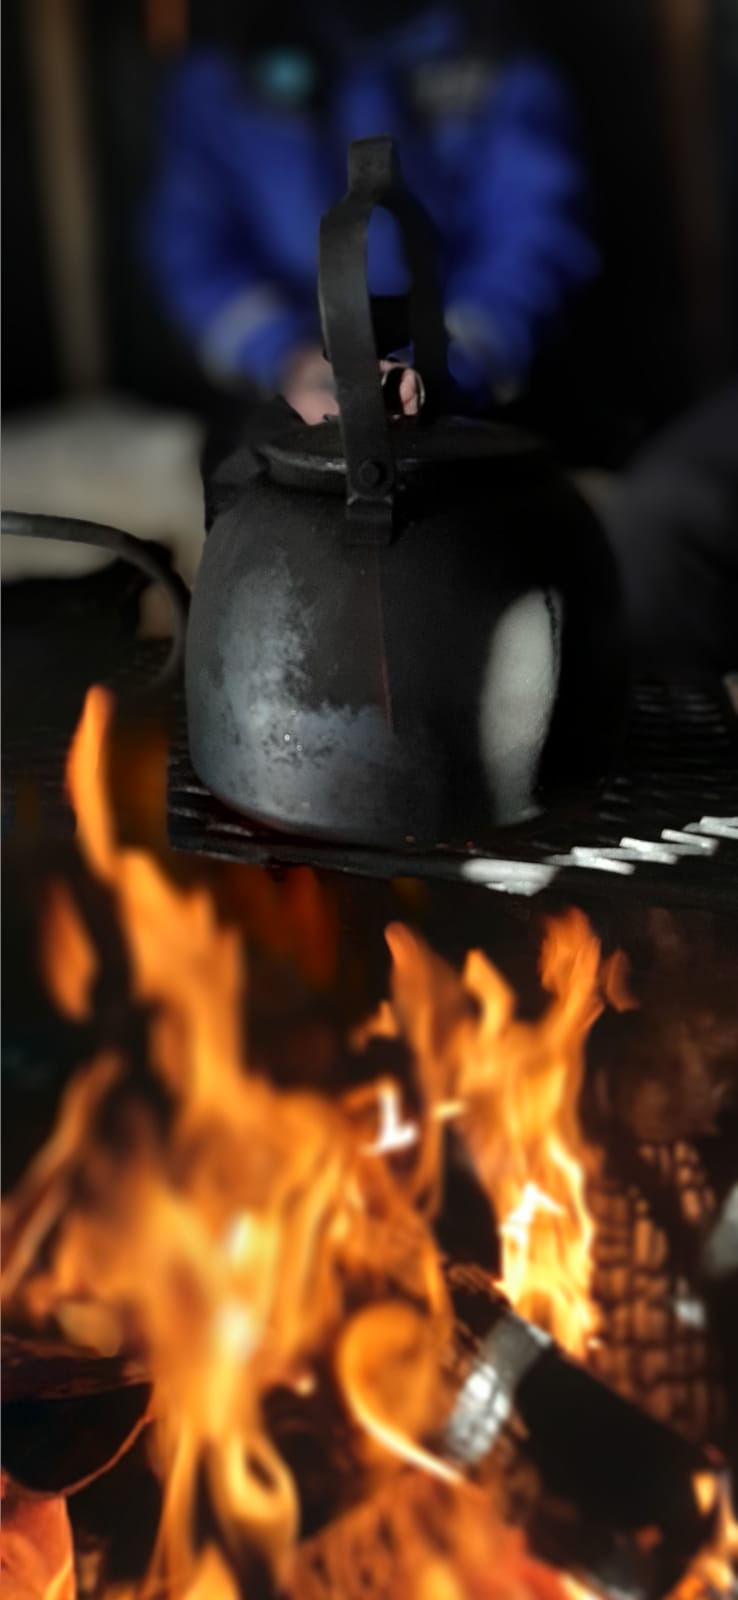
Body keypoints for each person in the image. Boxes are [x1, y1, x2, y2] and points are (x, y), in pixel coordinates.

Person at [143, 0, 599, 424]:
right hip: (275, 401)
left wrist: (446, 365)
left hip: (475, 404)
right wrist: (288, 357)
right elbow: (193, 248)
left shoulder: (498, 59)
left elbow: (536, 236)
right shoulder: (224, 70)